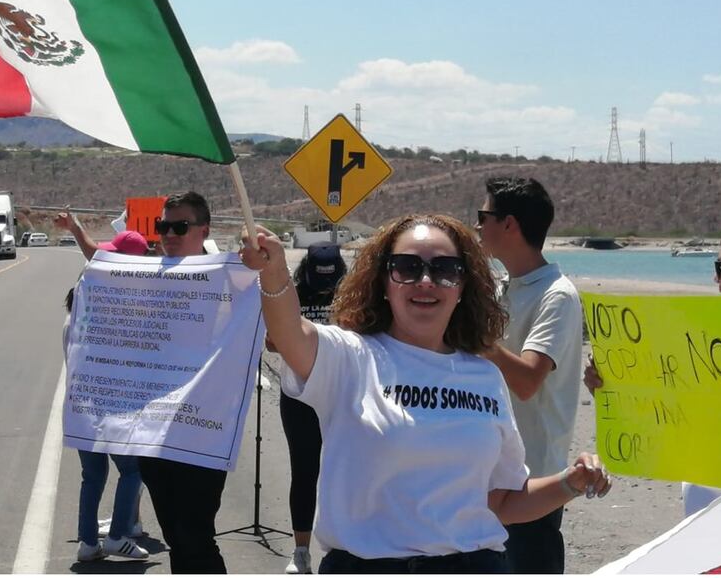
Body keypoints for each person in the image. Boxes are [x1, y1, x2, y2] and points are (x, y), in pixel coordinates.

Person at [240, 214, 610, 574]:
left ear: (463, 287)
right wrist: (272, 271)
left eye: (446, 269)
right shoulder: (350, 356)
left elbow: (501, 501)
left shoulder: (485, 377)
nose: (426, 281)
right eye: (407, 267)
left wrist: (569, 482)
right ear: (383, 282)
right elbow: (290, 333)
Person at [584, 213, 721, 516]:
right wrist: (614, 388)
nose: (714, 278)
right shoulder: (719, 346)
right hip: (700, 534)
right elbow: (670, 422)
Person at [474, 177, 583, 574]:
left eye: (483, 216)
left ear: (510, 224)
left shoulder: (557, 295)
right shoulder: (506, 288)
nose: (477, 227)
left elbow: (527, 381)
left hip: (533, 480)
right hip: (492, 470)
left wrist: (482, 342)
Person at [133, 191, 231, 574]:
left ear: (203, 230)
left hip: (202, 432)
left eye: (180, 226)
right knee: (176, 535)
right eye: (163, 226)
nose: (169, 234)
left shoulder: (229, 280)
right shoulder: (144, 279)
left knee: (196, 535)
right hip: (152, 430)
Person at [57, 211, 150, 562]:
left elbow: (93, 253)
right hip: (114, 402)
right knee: (132, 469)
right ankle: (116, 537)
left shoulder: (82, 307)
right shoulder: (123, 305)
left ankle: (87, 543)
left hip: (81, 403)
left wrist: (76, 226)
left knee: (92, 474)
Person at [275, 243, 347, 574]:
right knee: (304, 472)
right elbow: (271, 341)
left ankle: (344, 545)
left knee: (346, 470)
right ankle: (301, 552)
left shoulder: (352, 293)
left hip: (341, 395)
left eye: (331, 284)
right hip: (299, 394)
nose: (326, 290)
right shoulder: (293, 291)